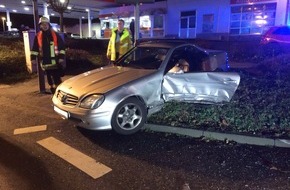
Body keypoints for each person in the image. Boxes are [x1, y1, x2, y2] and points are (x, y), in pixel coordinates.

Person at [30, 16, 66, 94]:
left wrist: (61, 57)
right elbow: (35, 48)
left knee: (57, 77)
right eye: (42, 24)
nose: (44, 26)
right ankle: (53, 92)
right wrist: (32, 58)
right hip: (45, 61)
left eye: (46, 24)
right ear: (40, 26)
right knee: (49, 78)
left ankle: (59, 92)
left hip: (55, 61)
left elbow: (62, 47)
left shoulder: (55, 35)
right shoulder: (38, 36)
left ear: (49, 25)